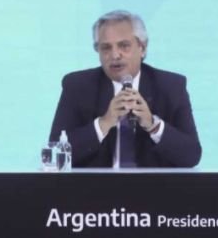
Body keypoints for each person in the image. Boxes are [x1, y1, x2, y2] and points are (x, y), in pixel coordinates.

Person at [48, 10, 202, 168]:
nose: (115, 55)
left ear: (142, 48)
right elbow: (55, 154)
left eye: (124, 46)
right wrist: (103, 124)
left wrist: (153, 125)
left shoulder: (171, 86)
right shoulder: (77, 86)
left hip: (153, 184)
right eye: (106, 48)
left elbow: (192, 156)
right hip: (95, 184)